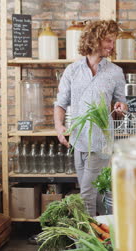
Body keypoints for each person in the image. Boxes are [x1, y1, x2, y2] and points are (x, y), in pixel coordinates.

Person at [54, 20, 127, 216]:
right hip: (78, 141)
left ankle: (85, 243)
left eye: (113, 42)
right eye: (108, 41)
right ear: (95, 39)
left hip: (101, 143)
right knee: (95, 196)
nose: (112, 46)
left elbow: (122, 103)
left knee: (86, 195)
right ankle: (105, 238)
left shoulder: (115, 72)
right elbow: (60, 102)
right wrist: (59, 127)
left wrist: (121, 107)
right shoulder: (72, 71)